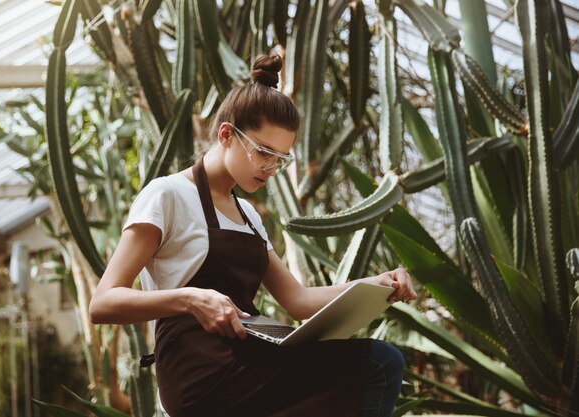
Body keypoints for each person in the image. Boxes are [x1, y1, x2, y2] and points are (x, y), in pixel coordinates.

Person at [89, 54, 417, 417]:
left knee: (379, 363)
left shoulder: (247, 216)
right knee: (379, 363)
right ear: (226, 134)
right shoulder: (167, 195)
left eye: (280, 158)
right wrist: (190, 299)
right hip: (197, 373)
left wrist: (377, 284)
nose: (271, 168)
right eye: (263, 152)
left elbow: (298, 300)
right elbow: (103, 303)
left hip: (247, 357)